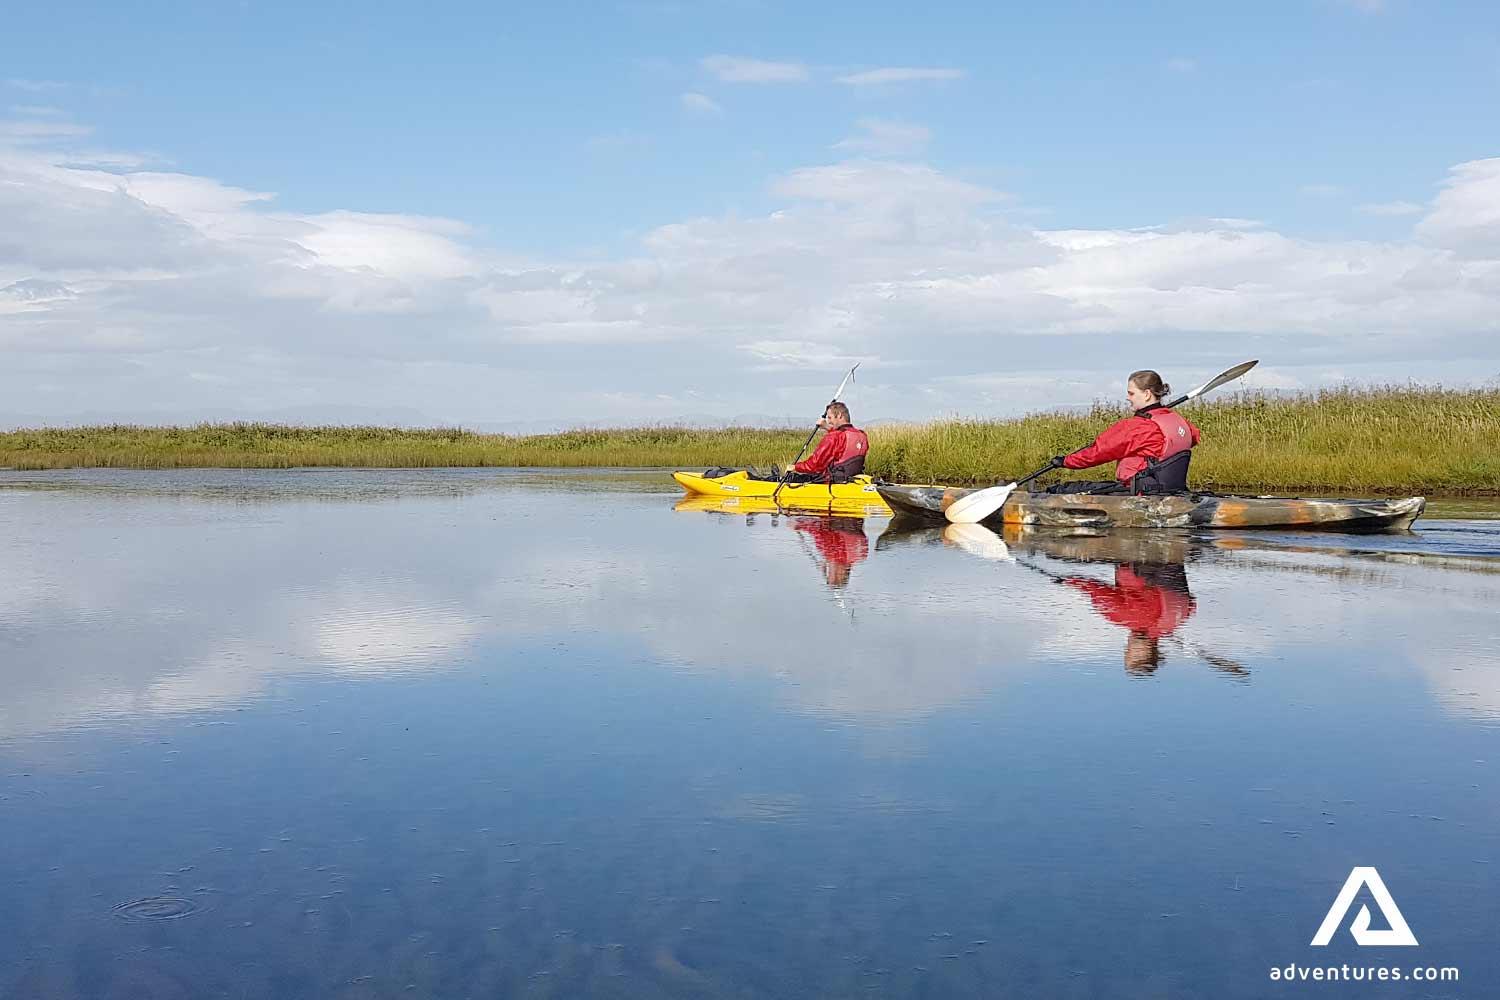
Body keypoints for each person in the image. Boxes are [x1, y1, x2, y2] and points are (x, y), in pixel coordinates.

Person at [1044, 370, 1201, 495]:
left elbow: (1098, 452)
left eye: (1131, 393)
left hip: (1137, 493)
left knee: (1063, 490)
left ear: (1146, 394)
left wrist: (1065, 461)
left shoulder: (1137, 427)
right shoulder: (1178, 421)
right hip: (1170, 491)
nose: (1128, 398)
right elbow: (1193, 438)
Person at [782, 402, 869, 484]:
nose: (829, 421)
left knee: (796, 478)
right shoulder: (862, 435)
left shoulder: (834, 437)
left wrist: (795, 467)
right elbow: (842, 439)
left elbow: (815, 465)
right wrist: (827, 427)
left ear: (839, 415)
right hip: (852, 480)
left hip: (833, 482)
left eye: (830, 417)